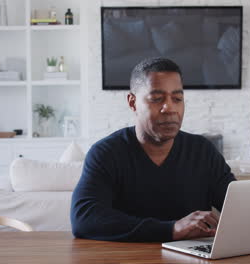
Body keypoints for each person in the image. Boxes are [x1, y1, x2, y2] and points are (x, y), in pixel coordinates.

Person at [71, 57, 236, 242]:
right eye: (157, 99)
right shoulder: (107, 153)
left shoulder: (202, 151)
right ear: (133, 102)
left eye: (177, 98)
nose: (170, 108)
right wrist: (171, 229)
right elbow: (84, 219)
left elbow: (238, 208)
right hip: (128, 259)